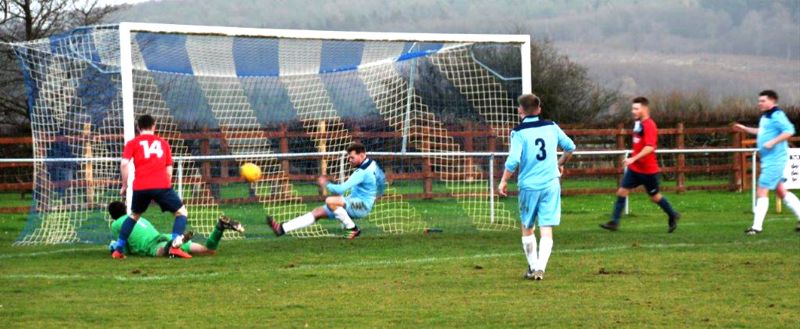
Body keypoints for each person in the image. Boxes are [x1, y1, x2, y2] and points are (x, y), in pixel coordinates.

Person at [498, 94, 575, 281]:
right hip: (551, 184)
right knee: (546, 227)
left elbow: (514, 159)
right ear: (539, 109)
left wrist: (504, 180)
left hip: (529, 187)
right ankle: (541, 268)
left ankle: (533, 267)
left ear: (520, 111)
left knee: (527, 226)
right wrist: (560, 163)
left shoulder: (518, 132)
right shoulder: (551, 126)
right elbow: (570, 147)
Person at [267, 142, 385, 239]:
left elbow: (341, 189)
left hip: (361, 205)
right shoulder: (373, 164)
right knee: (317, 212)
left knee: (330, 200)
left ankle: (352, 229)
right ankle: (282, 229)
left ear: (362, 155)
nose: (350, 160)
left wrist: (326, 184)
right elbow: (381, 180)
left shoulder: (362, 172)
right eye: (349, 157)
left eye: (352, 157)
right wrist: (377, 195)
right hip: (357, 203)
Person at [114, 114, 191, 259]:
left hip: (141, 186)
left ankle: (118, 249)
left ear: (138, 128)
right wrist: (166, 187)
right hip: (161, 185)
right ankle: (174, 246)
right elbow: (169, 169)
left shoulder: (132, 143)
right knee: (181, 213)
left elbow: (124, 163)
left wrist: (125, 185)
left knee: (134, 216)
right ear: (154, 126)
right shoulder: (163, 143)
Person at [600, 97, 681, 233]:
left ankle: (672, 215)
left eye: (636, 108)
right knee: (621, 192)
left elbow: (650, 147)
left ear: (644, 109)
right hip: (635, 169)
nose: (633, 111)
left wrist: (633, 158)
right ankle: (614, 222)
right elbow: (639, 144)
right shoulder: (638, 124)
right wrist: (633, 160)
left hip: (648, 171)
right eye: (633, 108)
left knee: (655, 197)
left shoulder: (649, 125)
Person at [733, 90, 799, 234]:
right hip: (769, 160)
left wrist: (773, 142)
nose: (760, 103)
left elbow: (789, 131)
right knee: (781, 191)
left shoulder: (777, 115)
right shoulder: (765, 117)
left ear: (772, 101)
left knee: (762, 190)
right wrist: (744, 129)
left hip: (775, 160)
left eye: (763, 101)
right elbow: (761, 132)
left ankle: (756, 227)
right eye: (759, 101)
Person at [107, 201, 244, 257]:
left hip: (150, 245)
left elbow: (123, 248)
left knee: (162, 252)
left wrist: (114, 248)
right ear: (125, 209)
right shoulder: (137, 218)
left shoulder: (116, 225)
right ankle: (219, 228)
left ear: (112, 216)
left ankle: (172, 246)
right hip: (165, 236)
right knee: (208, 251)